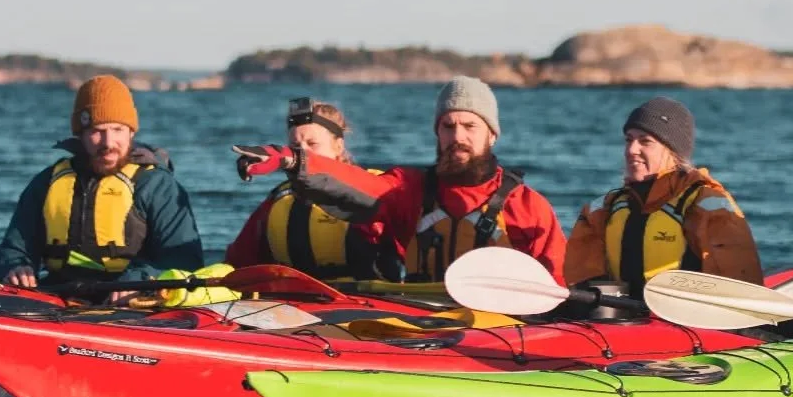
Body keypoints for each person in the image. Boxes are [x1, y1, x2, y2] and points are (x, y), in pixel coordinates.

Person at [233, 77, 565, 279]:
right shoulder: (411, 191)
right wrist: (293, 160)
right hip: (423, 328)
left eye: (470, 126)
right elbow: (362, 188)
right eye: (447, 126)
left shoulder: (527, 206)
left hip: (501, 335)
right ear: (437, 133)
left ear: (492, 135)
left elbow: (560, 281)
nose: (458, 136)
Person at [0, 75, 204, 291]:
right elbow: (14, 249)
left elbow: (185, 262)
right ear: (80, 134)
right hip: (59, 297)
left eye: (118, 130)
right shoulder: (47, 182)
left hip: (134, 302)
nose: (108, 143)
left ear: (131, 132)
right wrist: (15, 267)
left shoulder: (157, 186)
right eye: (97, 131)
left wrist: (141, 282)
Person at [564, 97, 762, 294]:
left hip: (686, 320)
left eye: (645, 141)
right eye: (628, 140)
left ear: (673, 152)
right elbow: (581, 282)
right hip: (621, 320)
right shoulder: (603, 209)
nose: (631, 150)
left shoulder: (707, 205)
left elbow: (740, 287)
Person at [226, 98, 393, 279]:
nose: (303, 152)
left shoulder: (377, 189)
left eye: (312, 144)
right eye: (295, 147)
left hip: (369, 300)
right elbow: (238, 264)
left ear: (338, 145)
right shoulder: (278, 200)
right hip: (292, 301)